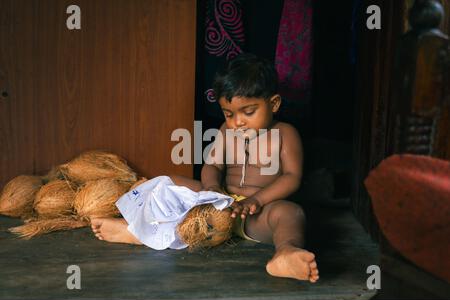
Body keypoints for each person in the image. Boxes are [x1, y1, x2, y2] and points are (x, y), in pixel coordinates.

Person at [91, 53, 319, 283]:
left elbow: (292, 177)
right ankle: (139, 230)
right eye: (229, 114)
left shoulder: (285, 134)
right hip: (217, 206)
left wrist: (256, 201)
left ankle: (286, 252)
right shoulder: (226, 130)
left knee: (290, 212)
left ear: (274, 104)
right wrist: (211, 189)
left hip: (256, 214)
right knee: (168, 182)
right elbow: (212, 165)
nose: (237, 122)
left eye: (248, 112)